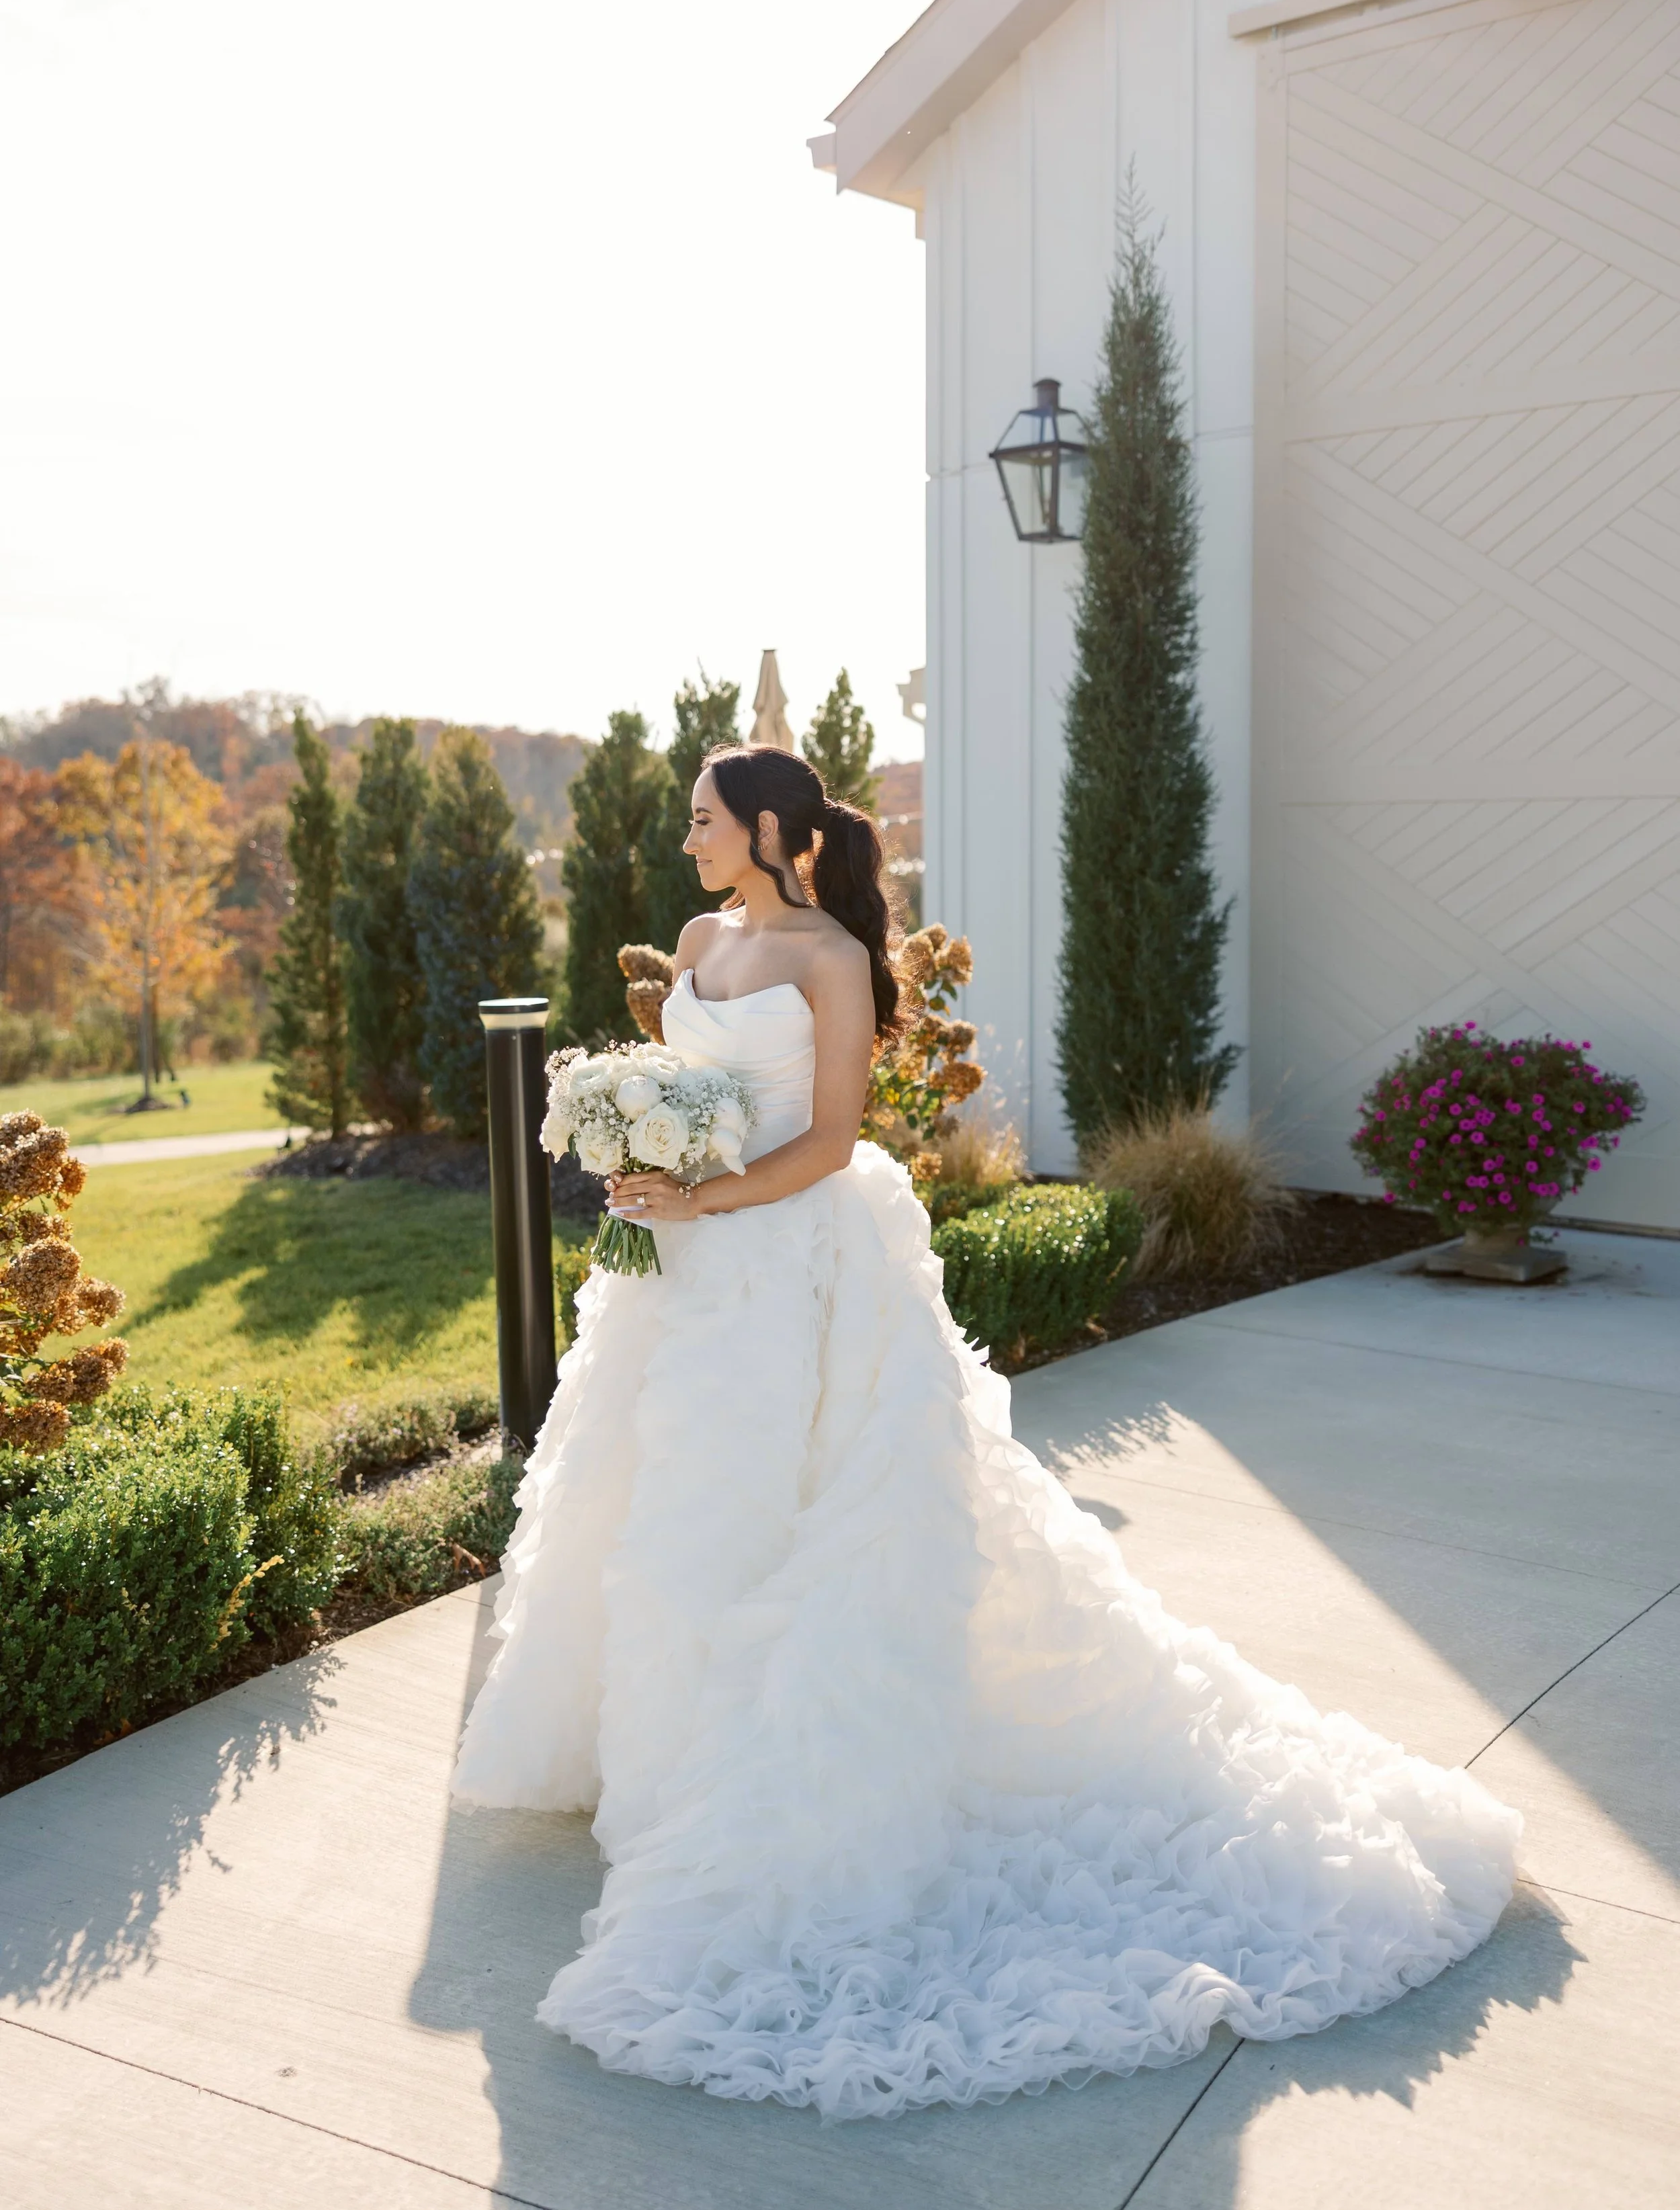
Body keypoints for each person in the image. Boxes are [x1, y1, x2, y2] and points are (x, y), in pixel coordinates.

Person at [452, 742, 1518, 2120]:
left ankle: (757, 1790)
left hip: (792, 1268)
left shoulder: (832, 961)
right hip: (687, 1279)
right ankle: (657, 1766)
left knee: (791, 1524)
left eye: (706, 820)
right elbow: (698, 1094)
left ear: (774, 827)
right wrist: (642, 1153)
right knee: (662, 1513)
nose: (688, 841)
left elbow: (829, 1140)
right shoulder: (703, 938)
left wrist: (702, 1201)